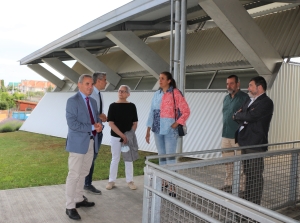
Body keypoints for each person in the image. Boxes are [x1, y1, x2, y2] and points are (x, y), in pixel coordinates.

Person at [65, 74, 103, 220]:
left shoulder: (93, 102)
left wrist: (99, 125)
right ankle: (69, 206)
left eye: (91, 84)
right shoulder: (72, 101)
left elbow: (96, 120)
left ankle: (78, 198)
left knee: (84, 172)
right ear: (79, 84)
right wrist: (92, 126)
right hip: (77, 143)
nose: (90, 87)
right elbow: (72, 124)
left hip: (91, 141)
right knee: (74, 174)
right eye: (87, 84)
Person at [233, 76, 274, 205]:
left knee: (255, 175)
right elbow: (238, 115)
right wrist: (241, 115)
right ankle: (247, 202)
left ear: (259, 87)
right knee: (248, 174)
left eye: (251, 85)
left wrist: (242, 115)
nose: (248, 88)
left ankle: (255, 205)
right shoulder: (249, 101)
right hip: (244, 142)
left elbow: (250, 116)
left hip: (255, 143)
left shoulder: (266, 102)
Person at [145, 71, 190, 165]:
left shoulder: (176, 93)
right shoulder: (157, 94)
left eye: (162, 78)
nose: (160, 80)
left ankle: (171, 179)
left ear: (169, 80)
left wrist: (175, 124)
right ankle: (163, 179)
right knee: (161, 156)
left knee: (170, 157)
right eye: (159, 78)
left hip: (170, 130)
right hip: (157, 129)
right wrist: (148, 129)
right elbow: (151, 112)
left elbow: (186, 111)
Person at [106, 85, 138, 190]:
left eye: (123, 91)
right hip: (115, 137)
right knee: (115, 158)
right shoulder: (112, 106)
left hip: (128, 138)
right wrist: (122, 135)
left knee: (128, 159)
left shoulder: (132, 106)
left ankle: (130, 181)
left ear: (128, 94)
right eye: (119, 91)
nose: (120, 93)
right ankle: (111, 181)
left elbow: (135, 123)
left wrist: (129, 135)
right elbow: (111, 123)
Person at [221, 75, 248, 193]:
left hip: (238, 136)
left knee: (240, 163)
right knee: (228, 163)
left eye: (231, 83)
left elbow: (247, 116)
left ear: (238, 84)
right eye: (227, 84)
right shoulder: (226, 98)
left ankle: (241, 188)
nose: (229, 86)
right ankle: (228, 185)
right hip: (225, 135)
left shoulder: (244, 98)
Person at [84, 71, 107, 195]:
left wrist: (101, 117)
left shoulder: (99, 95)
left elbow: (97, 112)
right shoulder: (90, 94)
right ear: (99, 80)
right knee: (89, 158)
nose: (106, 82)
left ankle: (87, 182)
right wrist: (99, 116)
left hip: (99, 130)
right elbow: (89, 112)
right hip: (92, 131)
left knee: (93, 157)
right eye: (105, 80)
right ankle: (86, 184)